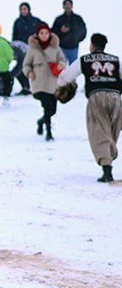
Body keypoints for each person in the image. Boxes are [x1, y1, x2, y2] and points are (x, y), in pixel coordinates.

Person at [57, 33, 122, 183]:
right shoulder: (115, 60)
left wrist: (61, 89)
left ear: (92, 45)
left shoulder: (85, 59)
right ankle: (109, 159)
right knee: (112, 131)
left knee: (99, 131)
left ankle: (107, 169)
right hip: (116, 97)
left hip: (97, 96)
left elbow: (65, 76)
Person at [23, 23, 66, 141]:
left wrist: (60, 65)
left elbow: (63, 60)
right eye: (41, 33)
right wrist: (29, 73)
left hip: (53, 83)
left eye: (46, 33)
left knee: (53, 110)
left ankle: (41, 121)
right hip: (39, 83)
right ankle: (49, 132)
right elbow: (26, 65)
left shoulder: (56, 48)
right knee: (47, 106)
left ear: (49, 34)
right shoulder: (32, 49)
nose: (44, 35)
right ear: (37, 35)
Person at [12, 2, 42, 96]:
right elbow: (14, 36)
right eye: (21, 9)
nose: (23, 11)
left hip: (33, 49)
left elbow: (44, 31)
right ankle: (25, 87)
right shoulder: (18, 22)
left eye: (25, 9)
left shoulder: (36, 21)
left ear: (28, 10)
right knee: (19, 69)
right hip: (21, 50)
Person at [52, 0, 87, 65]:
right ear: (63, 6)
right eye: (66, 4)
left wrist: (76, 39)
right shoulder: (59, 19)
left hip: (74, 48)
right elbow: (53, 33)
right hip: (61, 48)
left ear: (72, 6)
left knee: (73, 68)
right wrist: (61, 31)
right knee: (61, 67)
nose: (67, 6)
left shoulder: (78, 18)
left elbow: (83, 31)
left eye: (69, 4)